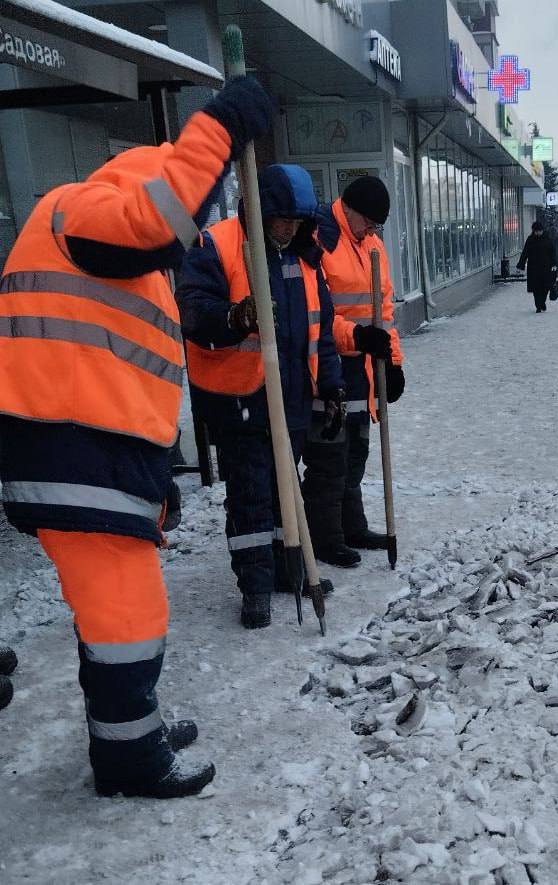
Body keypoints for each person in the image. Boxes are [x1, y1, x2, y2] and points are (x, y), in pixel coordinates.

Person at [0, 75, 273, 798]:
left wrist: (157, 481)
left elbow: (125, 377)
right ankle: (130, 758)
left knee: (115, 610)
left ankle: (132, 725)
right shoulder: (83, 209)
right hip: (73, 450)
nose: (190, 226)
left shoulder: (129, 268)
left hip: (97, 453)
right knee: (128, 613)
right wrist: (220, 127)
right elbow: (162, 217)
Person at [177, 164, 343, 630]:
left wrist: (329, 386)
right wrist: (234, 318)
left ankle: (290, 571)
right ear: (261, 210)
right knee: (251, 496)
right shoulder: (218, 246)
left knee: (285, 492)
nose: (288, 227)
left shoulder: (305, 258)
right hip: (239, 399)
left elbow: (320, 331)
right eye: (280, 217)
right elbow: (192, 312)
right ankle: (254, 587)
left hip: (289, 398)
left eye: (297, 218)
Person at [302, 176, 404, 566]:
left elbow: (386, 312)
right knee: (330, 456)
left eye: (377, 226)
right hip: (328, 365)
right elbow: (315, 317)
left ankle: (352, 526)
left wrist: (393, 362)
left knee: (356, 452)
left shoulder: (372, 245)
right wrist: (358, 336)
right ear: (349, 210)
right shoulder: (319, 241)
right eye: (369, 223)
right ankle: (326, 537)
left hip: (364, 368)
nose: (373, 231)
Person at [517, 221, 557, 313]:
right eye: (536, 231)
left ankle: (542, 302)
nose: (538, 233)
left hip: (546, 267)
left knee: (545, 287)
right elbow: (525, 252)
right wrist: (521, 264)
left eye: (539, 231)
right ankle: (538, 305)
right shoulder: (530, 239)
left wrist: (554, 264)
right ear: (533, 231)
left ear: (542, 230)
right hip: (533, 268)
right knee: (536, 288)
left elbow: (553, 253)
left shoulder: (548, 239)